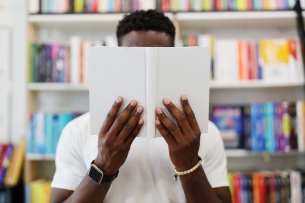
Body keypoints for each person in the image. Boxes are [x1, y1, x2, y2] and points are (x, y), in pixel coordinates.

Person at [50, 10, 232, 203]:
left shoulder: (204, 132)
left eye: (157, 60)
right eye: (136, 60)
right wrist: (103, 166)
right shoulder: (78, 131)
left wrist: (189, 163)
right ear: (119, 60)